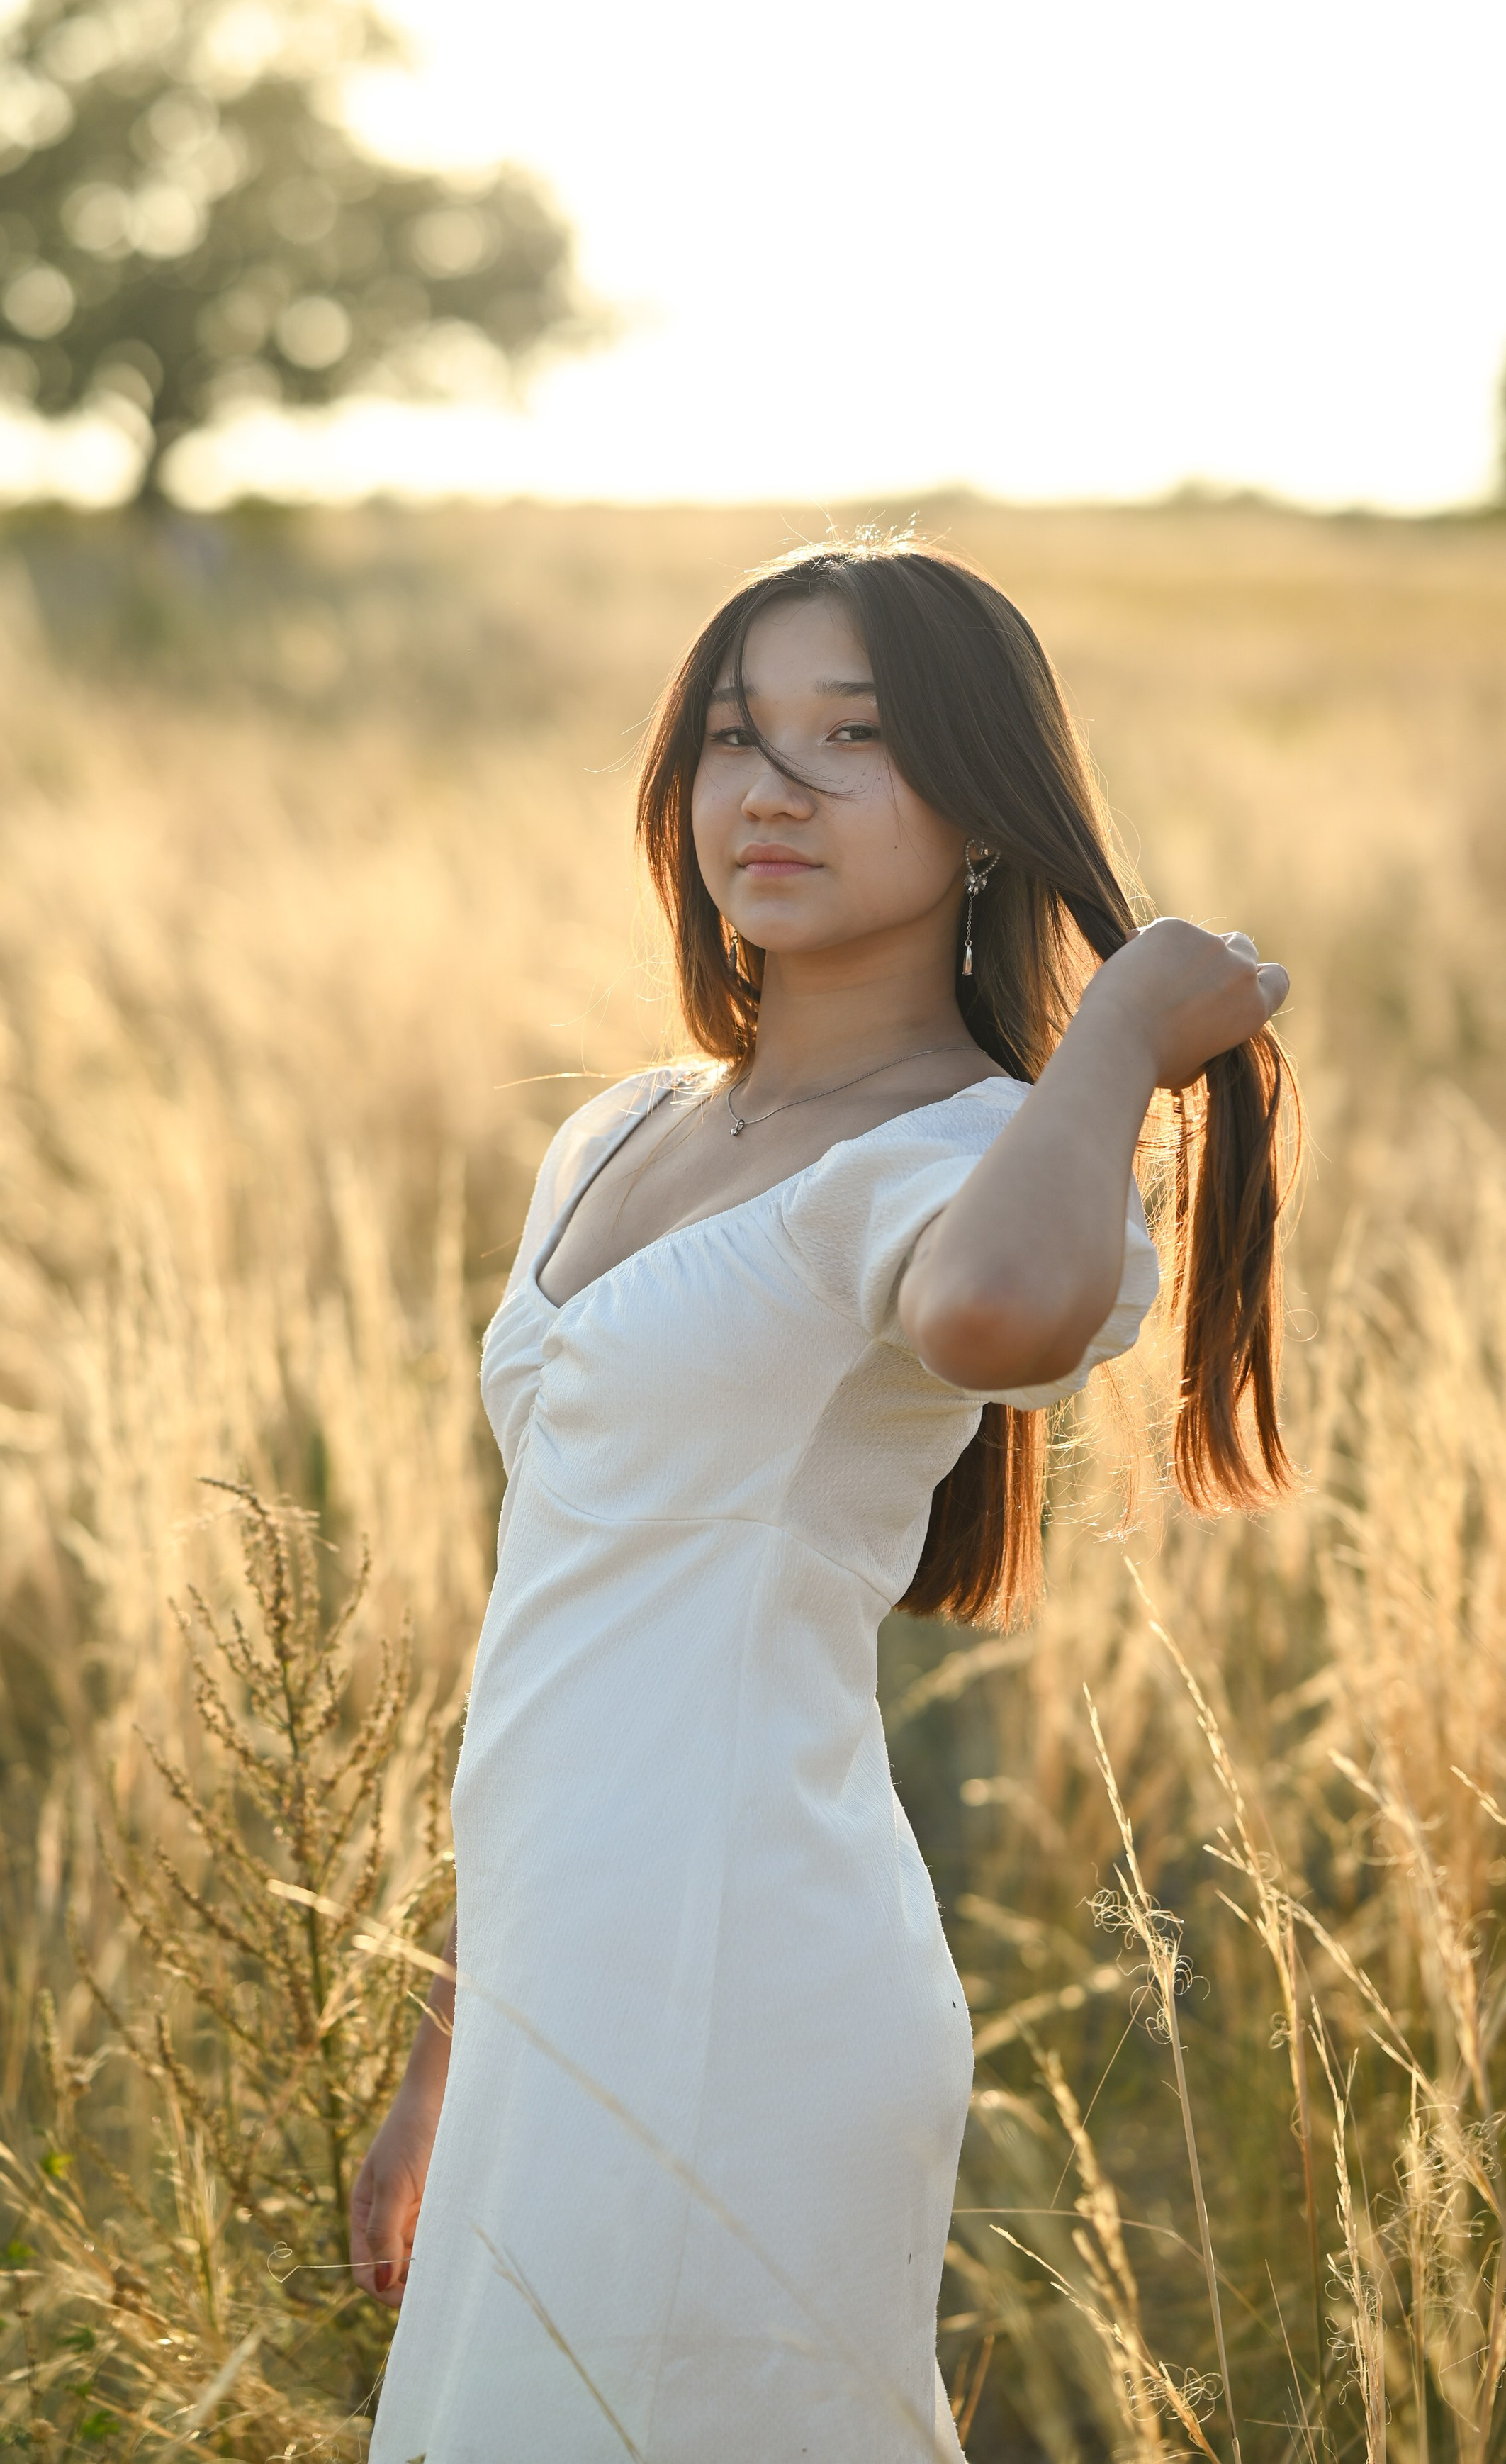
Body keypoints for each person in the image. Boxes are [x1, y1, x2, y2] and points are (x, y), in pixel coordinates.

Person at [352, 539, 1296, 2461]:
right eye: (733, 736)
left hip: (746, 1975)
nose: (772, 789)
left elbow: (999, 1318)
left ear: (982, 808)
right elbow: (569, 1627)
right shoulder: (617, 1129)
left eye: (851, 739)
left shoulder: (973, 1155)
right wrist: (451, 2041)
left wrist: (1117, 1035)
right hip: (558, 1969)